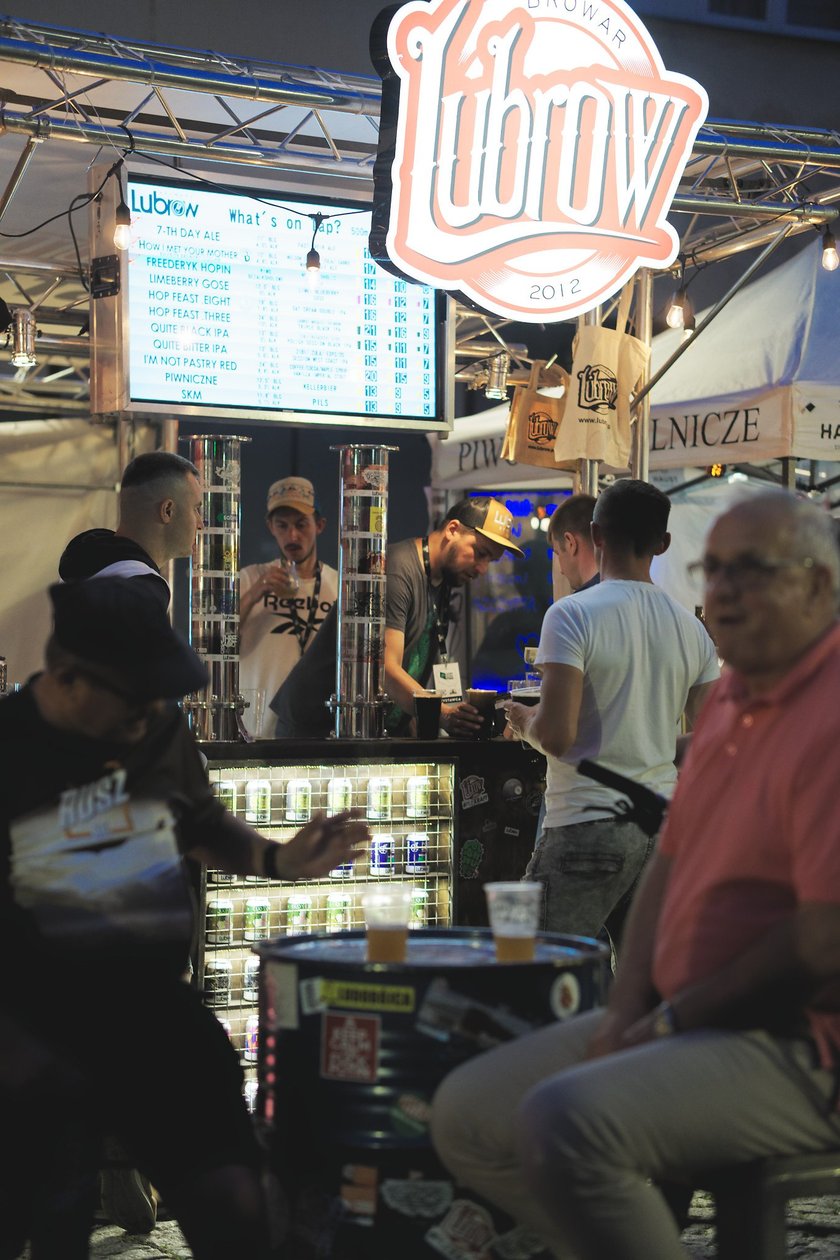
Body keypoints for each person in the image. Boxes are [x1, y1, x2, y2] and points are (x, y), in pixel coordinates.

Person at [431, 492, 840, 1260]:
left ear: (820, 585)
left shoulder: (826, 710)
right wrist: (629, 1008)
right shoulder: (733, 691)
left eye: (750, 570)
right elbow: (673, 856)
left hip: (800, 1041)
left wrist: (668, 1019)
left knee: (564, 1113)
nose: (722, 591)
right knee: (464, 1114)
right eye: (714, 570)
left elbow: (821, 941)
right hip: (692, 1008)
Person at [0, 577, 368, 1260]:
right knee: (53, 1215)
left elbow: (198, 821)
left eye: (159, 697)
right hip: (33, 1023)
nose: (150, 715)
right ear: (67, 677)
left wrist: (279, 859)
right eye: (134, 700)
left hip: (150, 1006)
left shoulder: (156, 724)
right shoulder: (10, 745)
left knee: (237, 1203)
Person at [505, 479, 718, 942]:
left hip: (585, 825)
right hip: (660, 830)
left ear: (596, 535)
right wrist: (650, 745)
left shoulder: (570, 615)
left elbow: (555, 736)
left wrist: (521, 720)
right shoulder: (692, 629)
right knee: (638, 978)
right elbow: (713, 742)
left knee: (537, 965)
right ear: (663, 544)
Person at [384, 496, 524, 736]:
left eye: (490, 561)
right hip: (327, 734)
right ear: (452, 530)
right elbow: (385, 670)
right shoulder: (398, 570)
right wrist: (443, 714)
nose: (482, 569)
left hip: (385, 732)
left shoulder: (442, 581)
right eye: (480, 553)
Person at [238, 477, 338, 738]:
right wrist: (255, 593)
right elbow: (215, 643)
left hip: (316, 731)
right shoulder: (249, 579)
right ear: (270, 527)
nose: (292, 536)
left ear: (320, 525)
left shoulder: (338, 586)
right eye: (282, 525)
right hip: (257, 729)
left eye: (301, 524)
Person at [58, 450, 203, 607]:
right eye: (195, 509)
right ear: (167, 511)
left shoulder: (84, 564)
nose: (200, 523)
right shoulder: (143, 589)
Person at [547, 493, 599, 593]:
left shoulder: (574, 603)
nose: (561, 571)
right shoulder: (630, 591)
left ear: (570, 543)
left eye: (558, 554)